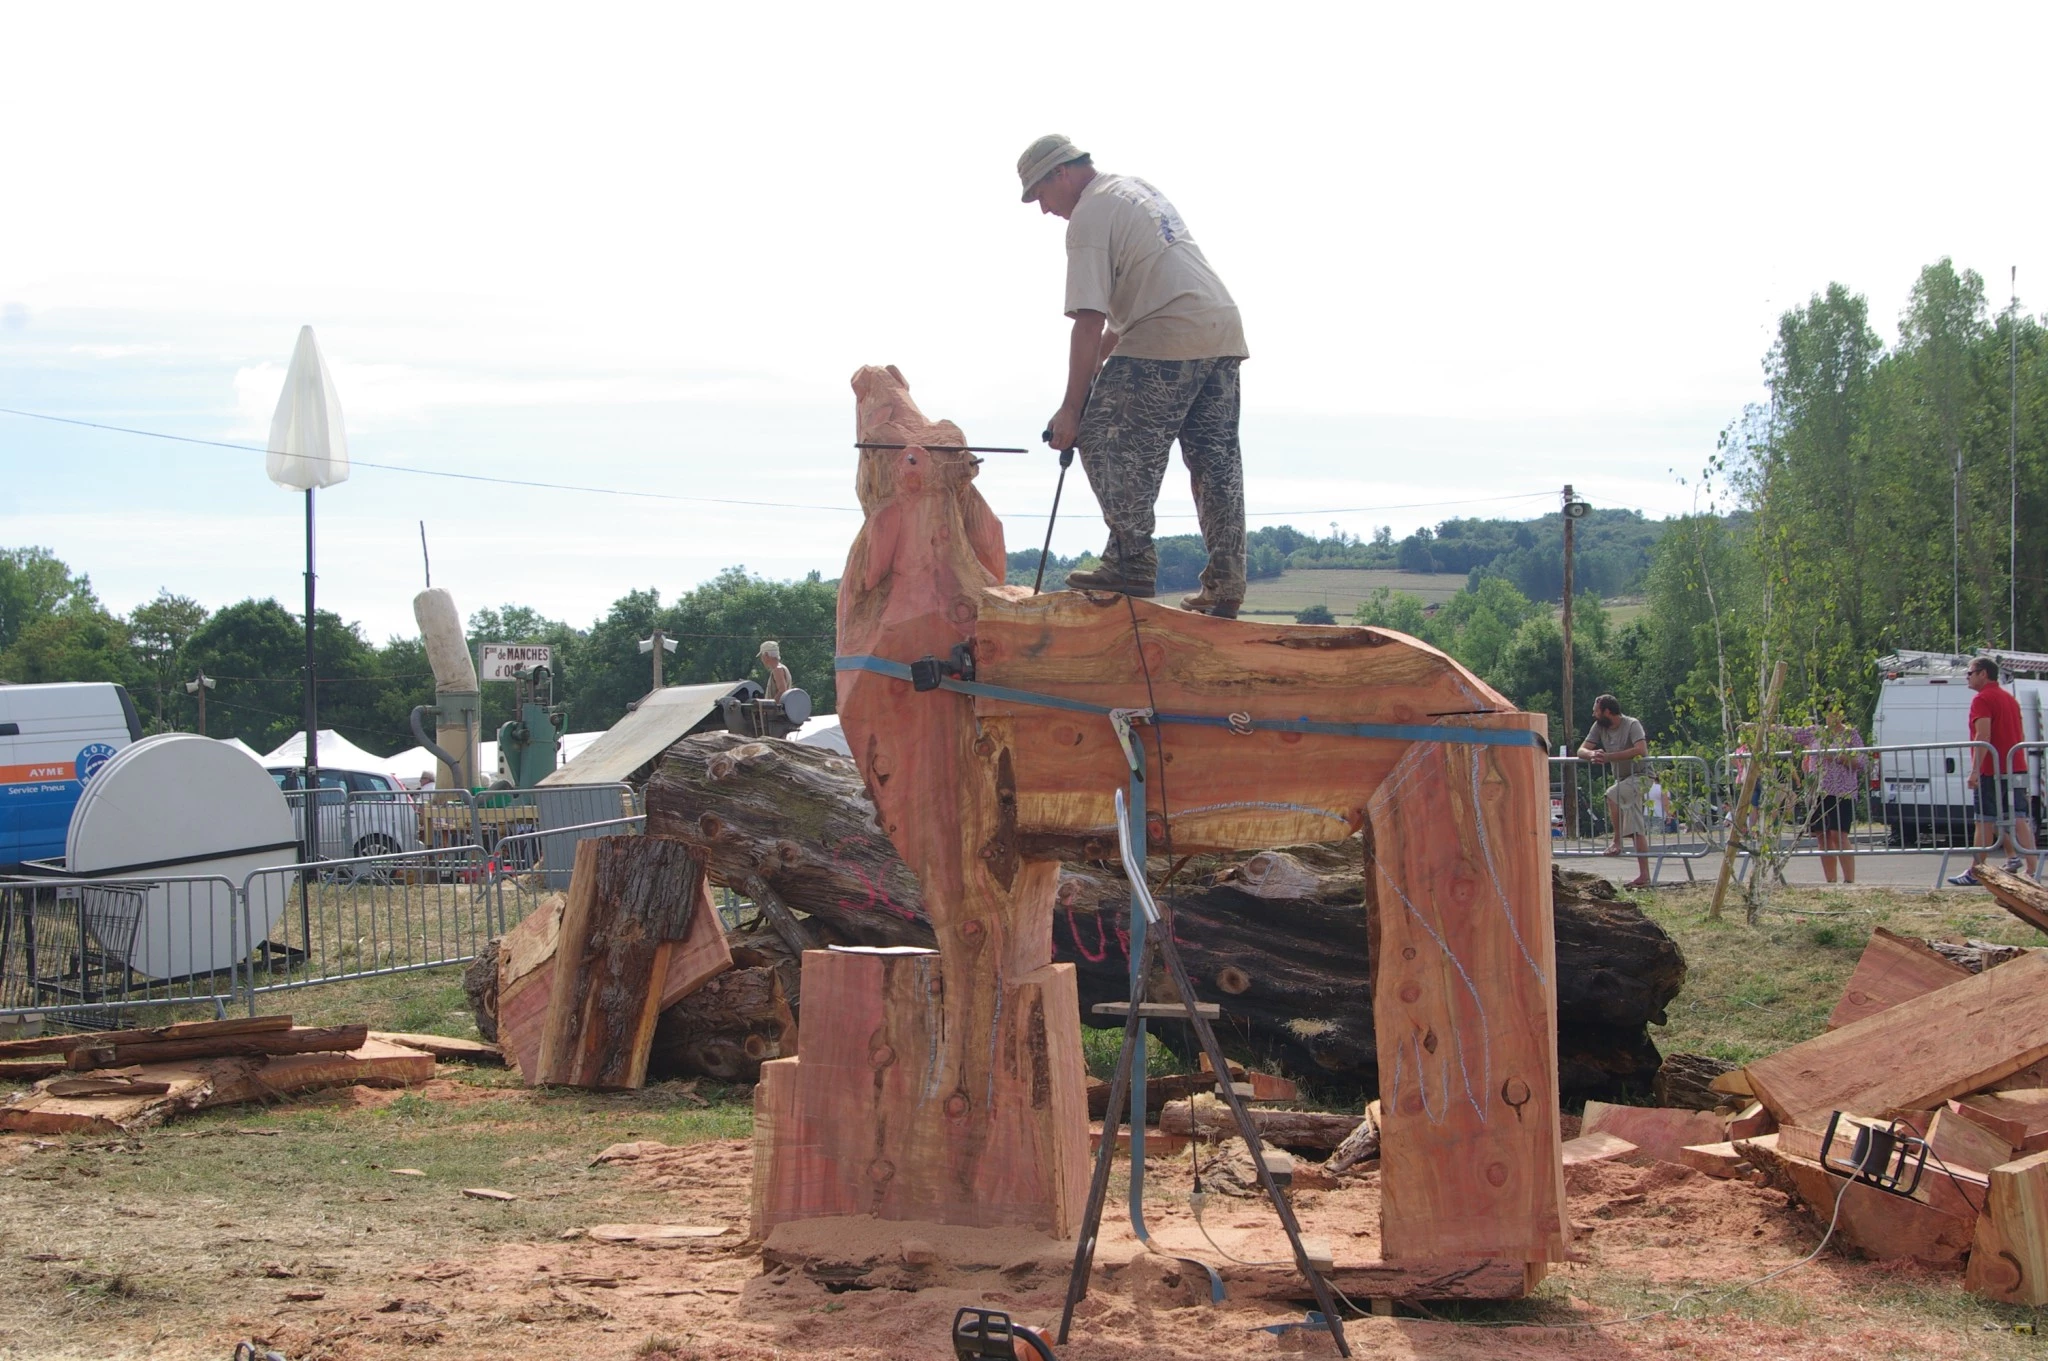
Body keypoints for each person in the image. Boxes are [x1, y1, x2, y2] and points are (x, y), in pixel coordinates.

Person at [1018, 134, 1249, 618]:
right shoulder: (1131, 190)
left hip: (1167, 333)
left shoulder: (1087, 217)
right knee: (1215, 464)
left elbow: (1088, 318)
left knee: (1102, 434)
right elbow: (1132, 307)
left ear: (1061, 174)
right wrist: (1102, 363)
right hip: (1219, 329)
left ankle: (1130, 560)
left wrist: (1072, 408)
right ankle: (1226, 585)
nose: (1042, 210)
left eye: (1039, 194)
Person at [1949, 656, 2040, 885]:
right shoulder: (2009, 699)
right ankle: (2032, 870)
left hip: (1992, 769)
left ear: (1983, 673)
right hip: (2016, 765)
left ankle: (1977, 871)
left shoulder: (1983, 699)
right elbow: (2019, 734)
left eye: (1969, 673)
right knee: (2019, 819)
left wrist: (1975, 770)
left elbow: (1983, 736)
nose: (1967, 677)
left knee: (1984, 821)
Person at [1577, 694, 1652, 890]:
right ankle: (1644, 876)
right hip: (1624, 780)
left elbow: (1641, 749)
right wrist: (1592, 754)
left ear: (1607, 711)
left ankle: (1617, 841)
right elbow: (1581, 750)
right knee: (1636, 828)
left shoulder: (1632, 724)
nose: (1593, 715)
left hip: (1642, 776)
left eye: (1596, 711)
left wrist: (1609, 757)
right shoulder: (1599, 727)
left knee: (1612, 794)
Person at [1790, 712, 1866, 885]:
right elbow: (1790, 732)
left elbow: (1861, 762)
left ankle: (1849, 881)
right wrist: (1759, 726)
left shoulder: (1850, 734)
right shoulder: (1816, 732)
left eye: (1838, 712)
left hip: (1842, 792)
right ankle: (1830, 882)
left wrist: (1838, 757)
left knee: (1838, 835)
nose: (1834, 717)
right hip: (1818, 792)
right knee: (1822, 836)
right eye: (1830, 713)